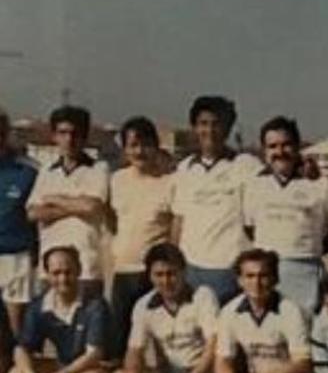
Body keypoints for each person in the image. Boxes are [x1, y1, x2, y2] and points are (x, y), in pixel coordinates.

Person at [112, 243, 219, 373]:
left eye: (171, 273)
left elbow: (213, 345)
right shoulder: (144, 304)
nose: (166, 281)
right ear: (150, 276)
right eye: (158, 274)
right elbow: (134, 350)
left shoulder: (203, 295)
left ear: (183, 271)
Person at [6, 246, 114, 373]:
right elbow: (21, 348)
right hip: (64, 367)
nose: (63, 279)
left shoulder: (95, 304)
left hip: (91, 370)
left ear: (79, 270)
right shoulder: (40, 305)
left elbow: (95, 355)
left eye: (68, 272)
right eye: (56, 273)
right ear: (47, 274)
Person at [170, 95, 262, 303]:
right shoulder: (185, 168)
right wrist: (173, 262)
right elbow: (178, 220)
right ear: (194, 128)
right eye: (203, 124)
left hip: (229, 270)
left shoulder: (247, 165)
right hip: (191, 268)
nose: (209, 131)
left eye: (216, 124)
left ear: (228, 128)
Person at [243, 116, 328, 313]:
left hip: (306, 271)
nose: (279, 152)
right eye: (273, 146)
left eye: (286, 145)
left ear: (297, 147)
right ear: (264, 151)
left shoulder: (319, 184)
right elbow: (250, 227)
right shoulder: (254, 186)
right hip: (266, 272)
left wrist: (311, 248)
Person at [26, 105, 109, 298]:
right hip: (50, 270)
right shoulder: (46, 171)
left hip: (86, 269)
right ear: (54, 136)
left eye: (75, 133)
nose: (69, 140)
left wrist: (54, 199)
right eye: (63, 133)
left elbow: (92, 207)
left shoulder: (99, 168)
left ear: (85, 137)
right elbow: (33, 213)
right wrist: (76, 205)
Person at [109, 116, 174, 357]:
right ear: (125, 149)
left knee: (159, 342)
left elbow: (175, 226)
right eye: (133, 145)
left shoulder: (169, 182)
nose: (140, 151)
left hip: (155, 274)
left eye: (145, 144)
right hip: (123, 271)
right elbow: (110, 219)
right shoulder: (116, 180)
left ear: (156, 146)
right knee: (121, 340)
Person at [0, 107, 38, 339]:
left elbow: (36, 218)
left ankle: (18, 370)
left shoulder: (26, 172)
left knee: (15, 331)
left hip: (15, 258)